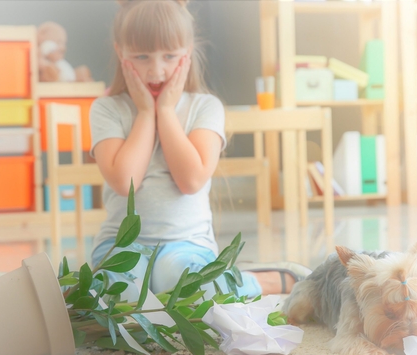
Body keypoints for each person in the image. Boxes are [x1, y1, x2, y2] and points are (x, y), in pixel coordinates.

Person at [89, 0, 310, 302]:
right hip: (120, 245)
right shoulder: (107, 109)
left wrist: (165, 112)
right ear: (120, 52)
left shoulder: (205, 107)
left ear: (188, 52)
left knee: (191, 289)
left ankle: (264, 280)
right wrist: (145, 113)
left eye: (169, 56)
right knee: (117, 299)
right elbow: (124, 183)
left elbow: (191, 181)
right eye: (141, 57)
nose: (156, 70)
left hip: (186, 244)